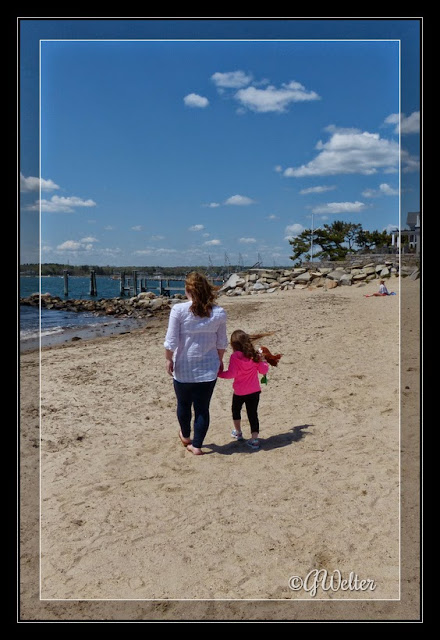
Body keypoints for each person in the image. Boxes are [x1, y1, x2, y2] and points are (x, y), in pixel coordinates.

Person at [164, 272, 228, 455]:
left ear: (187, 290)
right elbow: (221, 342)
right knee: (202, 408)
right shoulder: (218, 312)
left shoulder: (178, 310)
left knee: (183, 404)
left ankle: (186, 436)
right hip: (208, 368)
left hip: (184, 367)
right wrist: (220, 360)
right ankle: (197, 445)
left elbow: (171, 341)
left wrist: (168, 359)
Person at [218, 329, 279, 450]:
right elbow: (263, 371)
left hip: (239, 392)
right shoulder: (254, 355)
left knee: (236, 410)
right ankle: (254, 439)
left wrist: (219, 374)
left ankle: (238, 432)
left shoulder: (235, 357)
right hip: (254, 391)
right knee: (253, 414)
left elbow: (231, 374)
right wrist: (263, 361)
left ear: (233, 345)